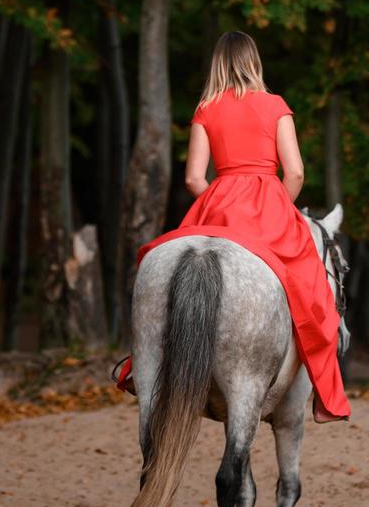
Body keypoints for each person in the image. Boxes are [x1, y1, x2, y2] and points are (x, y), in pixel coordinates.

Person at [115, 31, 350, 423]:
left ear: (217, 65)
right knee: (313, 290)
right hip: (270, 204)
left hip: (219, 203)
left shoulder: (206, 108)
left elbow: (193, 178)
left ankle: (141, 367)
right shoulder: (276, 106)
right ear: (254, 62)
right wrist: (277, 207)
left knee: (164, 265)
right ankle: (322, 393)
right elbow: (294, 172)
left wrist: (219, 199)